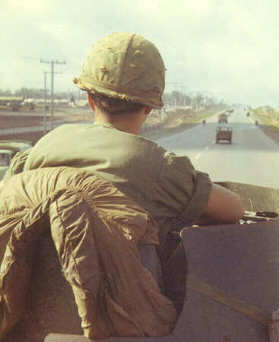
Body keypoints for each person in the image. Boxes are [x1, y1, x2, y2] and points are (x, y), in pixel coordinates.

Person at [4, 32, 244, 257]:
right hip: (124, 300)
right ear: (149, 107)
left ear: (89, 99)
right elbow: (233, 210)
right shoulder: (158, 166)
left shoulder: (42, 148)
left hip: (25, 297)